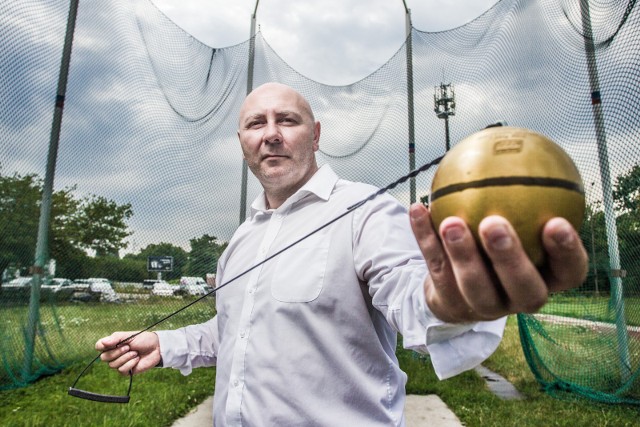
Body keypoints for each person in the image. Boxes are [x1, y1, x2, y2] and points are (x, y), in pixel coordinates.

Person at [97, 82, 588, 426]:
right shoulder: (241, 240)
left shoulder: (366, 213)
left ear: (315, 135)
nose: (271, 133)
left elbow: (412, 296)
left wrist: (453, 301)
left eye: (287, 120)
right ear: (243, 142)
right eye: (255, 124)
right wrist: (167, 346)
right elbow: (239, 330)